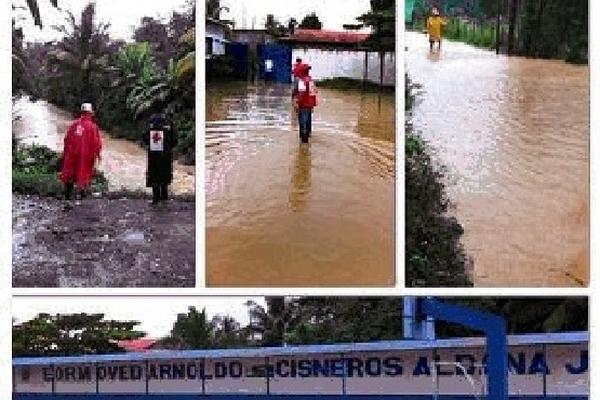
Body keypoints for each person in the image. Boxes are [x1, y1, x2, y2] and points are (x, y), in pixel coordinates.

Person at [59, 102, 102, 201]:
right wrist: (97, 156)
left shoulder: (74, 124)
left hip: (71, 155)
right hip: (85, 157)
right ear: (91, 113)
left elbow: (66, 140)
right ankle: (81, 196)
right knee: (83, 174)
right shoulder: (93, 127)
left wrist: (65, 154)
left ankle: (67, 197)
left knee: (69, 174)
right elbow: (96, 144)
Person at [143, 112, 177, 204]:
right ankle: (164, 198)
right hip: (165, 154)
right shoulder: (168, 121)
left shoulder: (150, 121)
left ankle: (155, 199)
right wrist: (168, 147)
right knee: (164, 174)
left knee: (154, 175)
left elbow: (145, 137)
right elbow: (174, 139)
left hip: (153, 154)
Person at [294, 64, 317, 143]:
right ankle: (308, 135)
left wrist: (297, 103)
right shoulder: (311, 80)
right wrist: (313, 105)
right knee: (308, 120)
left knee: (302, 121)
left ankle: (303, 141)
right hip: (310, 104)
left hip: (303, 104)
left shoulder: (302, 81)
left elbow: (301, 94)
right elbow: (314, 93)